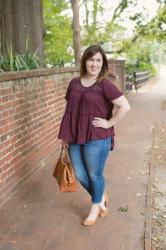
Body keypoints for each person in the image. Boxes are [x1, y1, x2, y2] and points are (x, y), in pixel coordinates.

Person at [58, 44, 131, 226]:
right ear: (85, 61)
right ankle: (100, 198)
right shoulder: (74, 83)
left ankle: (95, 206)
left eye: (99, 60)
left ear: (102, 63)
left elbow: (125, 106)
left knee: (94, 175)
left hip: (97, 136)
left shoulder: (104, 84)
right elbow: (70, 110)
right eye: (91, 59)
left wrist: (109, 123)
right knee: (80, 174)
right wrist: (65, 137)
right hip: (75, 135)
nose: (94, 64)